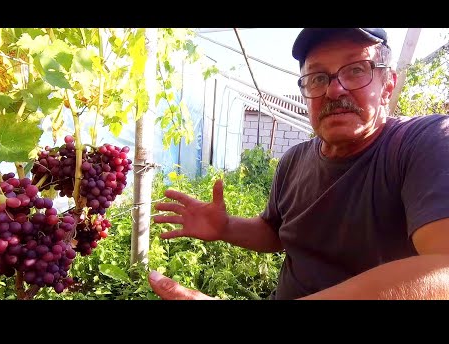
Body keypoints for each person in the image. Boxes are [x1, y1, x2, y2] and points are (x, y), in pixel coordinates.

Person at [148, 28, 449, 300]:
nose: (334, 90)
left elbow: (443, 270)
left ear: (388, 84)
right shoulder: (293, 161)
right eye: (318, 77)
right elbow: (276, 233)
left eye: (356, 70)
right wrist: (226, 226)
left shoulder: (424, 143)